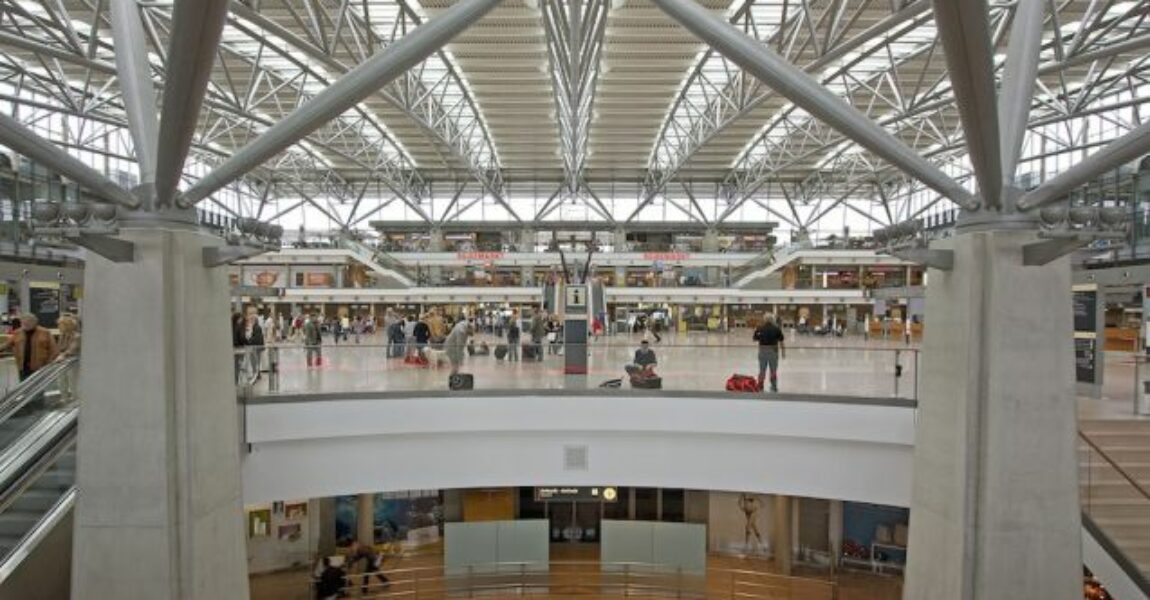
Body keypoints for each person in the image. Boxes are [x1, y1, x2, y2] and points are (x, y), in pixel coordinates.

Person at [0, 314, 58, 382]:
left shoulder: (45, 332)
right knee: (24, 387)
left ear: (34, 322)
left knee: (37, 387)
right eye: (23, 323)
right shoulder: (18, 332)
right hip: (23, 366)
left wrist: (49, 362)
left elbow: (54, 349)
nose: (25, 324)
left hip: (40, 366)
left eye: (27, 323)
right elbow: (6, 344)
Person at [752, 313, 785, 392]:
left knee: (762, 370)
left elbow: (754, 339)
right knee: (773, 370)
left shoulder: (759, 328)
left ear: (764, 319)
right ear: (772, 319)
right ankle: (774, 386)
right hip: (773, 351)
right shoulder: (777, 328)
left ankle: (760, 386)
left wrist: (757, 333)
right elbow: (781, 341)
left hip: (762, 351)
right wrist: (783, 352)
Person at [54, 314, 81, 402]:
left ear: (67, 325)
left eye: (60, 324)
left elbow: (73, 348)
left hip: (73, 361)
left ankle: (76, 398)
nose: (58, 326)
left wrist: (63, 355)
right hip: (62, 360)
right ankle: (64, 397)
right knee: (61, 380)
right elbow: (59, 347)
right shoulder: (62, 335)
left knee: (73, 380)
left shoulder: (77, 336)